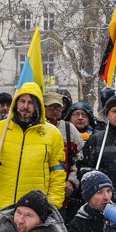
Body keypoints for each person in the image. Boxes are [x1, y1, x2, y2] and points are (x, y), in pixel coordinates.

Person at [0, 82, 66, 215]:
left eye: (30, 102)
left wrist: (52, 205)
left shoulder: (52, 134)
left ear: (38, 105)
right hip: (2, 209)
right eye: (22, 101)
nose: (25, 106)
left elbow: (57, 174)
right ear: (16, 104)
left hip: (34, 212)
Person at [44, 91, 83, 222]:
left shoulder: (69, 129)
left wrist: (72, 181)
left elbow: (80, 159)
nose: (55, 111)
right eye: (51, 107)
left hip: (62, 195)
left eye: (58, 107)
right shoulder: (35, 128)